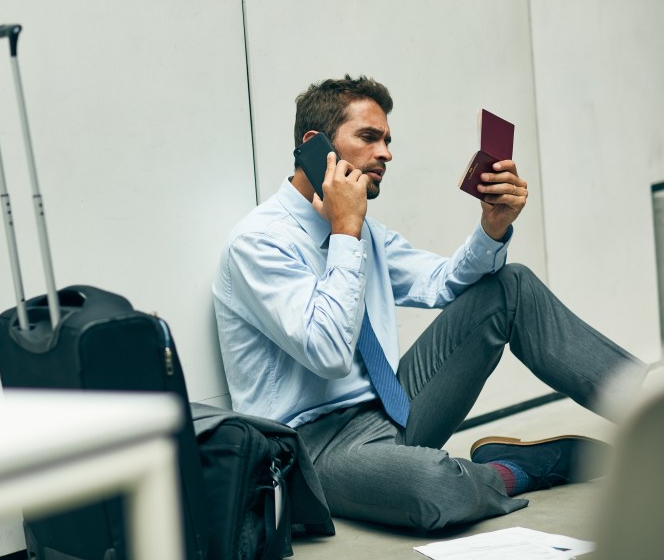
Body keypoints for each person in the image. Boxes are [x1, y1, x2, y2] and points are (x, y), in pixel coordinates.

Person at [212, 75, 648, 530]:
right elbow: (329, 354)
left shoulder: (366, 232)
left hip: (392, 408)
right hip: (313, 447)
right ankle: (525, 467)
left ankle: (647, 415)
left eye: (387, 140)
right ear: (315, 144)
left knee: (509, 286)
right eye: (368, 137)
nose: (385, 153)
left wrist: (492, 228)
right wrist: (344, 232)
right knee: (436, 486)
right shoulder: (259, 243)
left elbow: (442, 283)